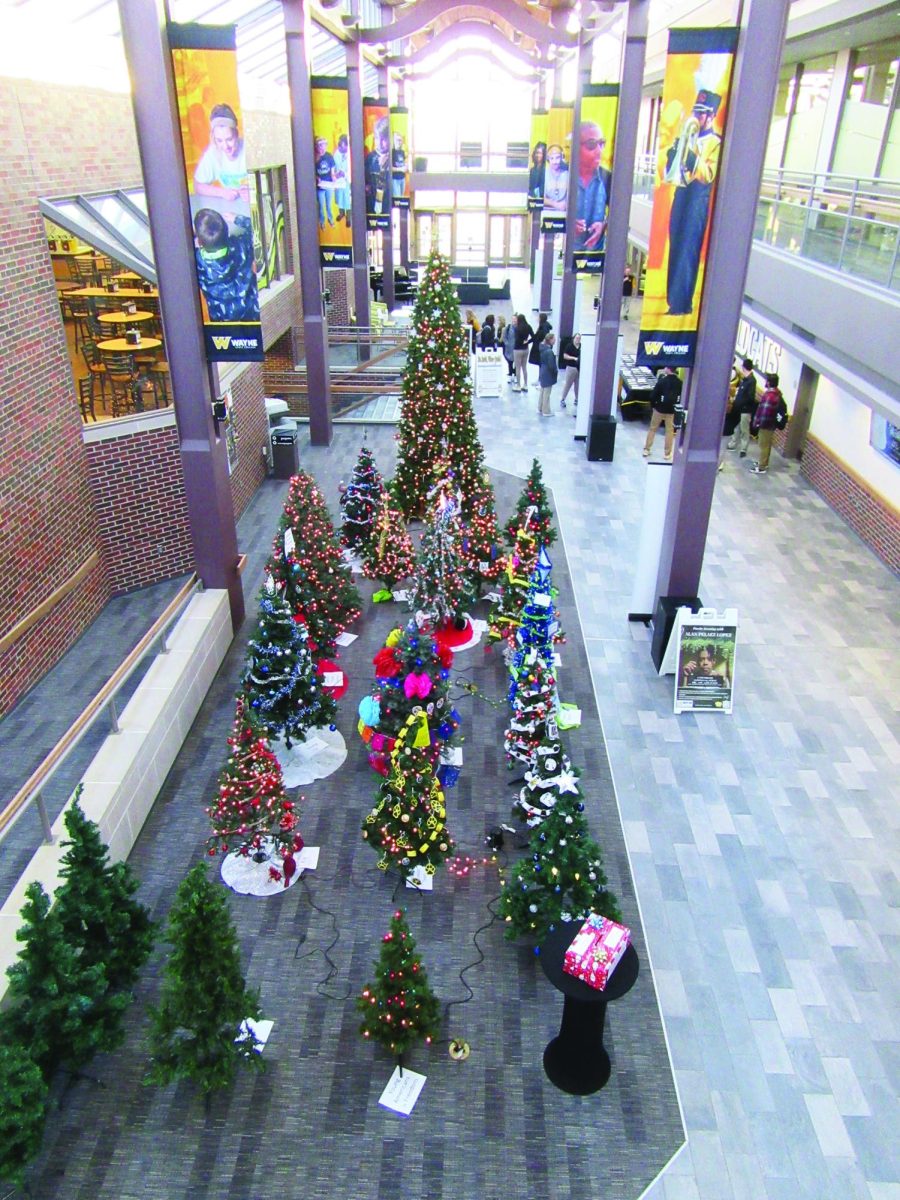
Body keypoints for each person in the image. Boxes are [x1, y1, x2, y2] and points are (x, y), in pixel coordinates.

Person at [665, 90, 722, 315]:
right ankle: (672, 299)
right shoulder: (686, 137)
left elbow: (708, 174)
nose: (697, 117)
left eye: (702, 113)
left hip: (697, 198)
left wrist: (691, 157)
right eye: (695, 112)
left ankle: (681, 302)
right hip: (681, 193)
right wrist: (674, 155)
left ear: (711, 116)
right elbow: (671, 170)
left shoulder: (715, 142)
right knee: (676, 242)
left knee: (689, 247)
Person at [193, 209, 257, 322]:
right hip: (251, 311)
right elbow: (258, 229)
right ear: (227, 233)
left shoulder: (196, 262)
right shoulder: (241, 246)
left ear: (199, 242)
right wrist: (237, 218)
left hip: (221, 319)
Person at [193, 103, 248, 202]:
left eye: (229, 139)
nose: (225, 146)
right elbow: (198, 186)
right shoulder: (213, 153)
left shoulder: (249, 150)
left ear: (236, 134)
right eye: (219, 140)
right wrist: (222, 193)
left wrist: (254, 192)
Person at [573, 122, 609, 252]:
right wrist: (566, 222)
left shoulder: (608, 177)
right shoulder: (565, 175)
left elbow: (618, 215)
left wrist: (603, 225)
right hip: (563, 254)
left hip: (594, 258)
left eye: (602, 143)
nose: (599, 151)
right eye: (592, 144)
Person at [642, 365, 682, 460]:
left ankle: (647, 449)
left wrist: (654, 406)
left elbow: (653, 395)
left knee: (652, 429)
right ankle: (667, 454)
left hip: (659, 409)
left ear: (668, 369)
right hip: (672, 411)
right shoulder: (680, 383)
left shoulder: (662, 381)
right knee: (669, 431)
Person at [750, 372, 783, 474]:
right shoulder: (777, 393)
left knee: (763, 445)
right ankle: (764, 462)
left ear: (769, 383)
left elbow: (764, 411)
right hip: (771, 424)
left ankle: (761, 467)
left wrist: (758, 423)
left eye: (766, 381)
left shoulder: (769, 396)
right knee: (767, 445)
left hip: (766, 425)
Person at [728, 358, 758, 457]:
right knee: (736, 428)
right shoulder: (744, 380)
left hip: (745, 410)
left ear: (744, 367)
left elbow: (750, 397)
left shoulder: (751, 381)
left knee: (744, 430)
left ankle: (743, 449)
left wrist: (741, 402)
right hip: (738, 409)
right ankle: (733, 444)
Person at [365, 117, 390, 215]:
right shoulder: (370, 158)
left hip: (388, 207)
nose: (379, 143)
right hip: (372, 206)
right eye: (376, 138)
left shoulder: (393, 158)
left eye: (383, 139)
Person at [315, 136, 337, 228]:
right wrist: (317, 178)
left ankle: (331, 219)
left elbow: (332, 170)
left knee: (329, 205)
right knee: (321, 205)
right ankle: (322, 221)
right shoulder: (315, 158)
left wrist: (333, 177)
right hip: (320, 186)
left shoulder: (329, 156)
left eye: (324, 145)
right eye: (320, 146)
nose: (322, 148)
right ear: (317, 147)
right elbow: (312, 171)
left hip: (328, 185)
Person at [528, 312, 551, 388]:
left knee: (542, 365)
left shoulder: (543, 328)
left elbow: (539, 337)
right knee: (541, 365)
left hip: (541, 349)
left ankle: (542, 381)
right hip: (541, 348)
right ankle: (540, 380)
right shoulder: (544, 326)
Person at [543, 145, 568, 212]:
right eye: (552, 158)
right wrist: (555, 204)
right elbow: (539, 197)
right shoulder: (543, 175)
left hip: (565, 212)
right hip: (547, 212)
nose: (555, 162)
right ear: (548, 159)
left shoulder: (567, 174)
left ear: (562, 158)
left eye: (557, 158)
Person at [559, 333, 581, 410]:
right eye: (576, 338)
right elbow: (565, 356)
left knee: (577, 385)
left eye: (579, 338)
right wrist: (574, 358)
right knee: (568, 384)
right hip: (571, 368)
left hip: (579, 369)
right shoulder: (569, 346)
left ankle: (577, 399)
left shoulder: (581, 347)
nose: (578, 340)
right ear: (573, 338)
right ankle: (563, 399)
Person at [538, 332, 558, 416]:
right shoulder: (549, 351)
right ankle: (546, 410)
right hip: (548, 373)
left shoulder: (542, 348)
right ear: (550, 340)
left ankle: (540, 407)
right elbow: (552, 365)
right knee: (547, 392)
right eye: (554, 339)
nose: (555, 340)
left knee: (543, 391)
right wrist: (555, 371)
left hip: (543, 370)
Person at [333, 133, 351, 225]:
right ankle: (341, 213)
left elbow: (352, 169)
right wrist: (336, 174)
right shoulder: (336, 154)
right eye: (340, 147)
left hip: (347, 181)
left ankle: (348, 218)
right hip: (339, 181)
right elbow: (334, 167)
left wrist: (344, 174)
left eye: (343, 147)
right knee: (340, 198)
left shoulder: (351, 154)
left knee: (347, 200)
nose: (340, 149)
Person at [512, 313, 533, 392]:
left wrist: (520, 342)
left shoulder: (517, 328)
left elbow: (517, 339)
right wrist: (527, 342)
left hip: (517, 349)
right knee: (524, 367)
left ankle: (518, 385)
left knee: (518, 368)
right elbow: (534, 337)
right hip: (526, 349)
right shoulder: (528, 327)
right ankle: (525, 385)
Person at [391, 132, 407, 199]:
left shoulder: (402, 152)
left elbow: (403, 163)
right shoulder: (392, 152)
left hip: (402, 178)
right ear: (394, 141)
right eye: (397, 140)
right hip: (395, 179)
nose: (399, 142)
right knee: (397, 200)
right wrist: (400, 169)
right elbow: (389, 168)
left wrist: (406, 167)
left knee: (402, 199)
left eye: (400, 140)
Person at [502, 314, 517, 379]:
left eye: (515, 319)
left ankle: (516, 374)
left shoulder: (519, 328)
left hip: (517, 348)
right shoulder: (508, 328)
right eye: (513, 319)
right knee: (510, 361)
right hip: (509, 348)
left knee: (517, 362)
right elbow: (504, 337)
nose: (514, 320)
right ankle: (510, 373)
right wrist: (506, 343)